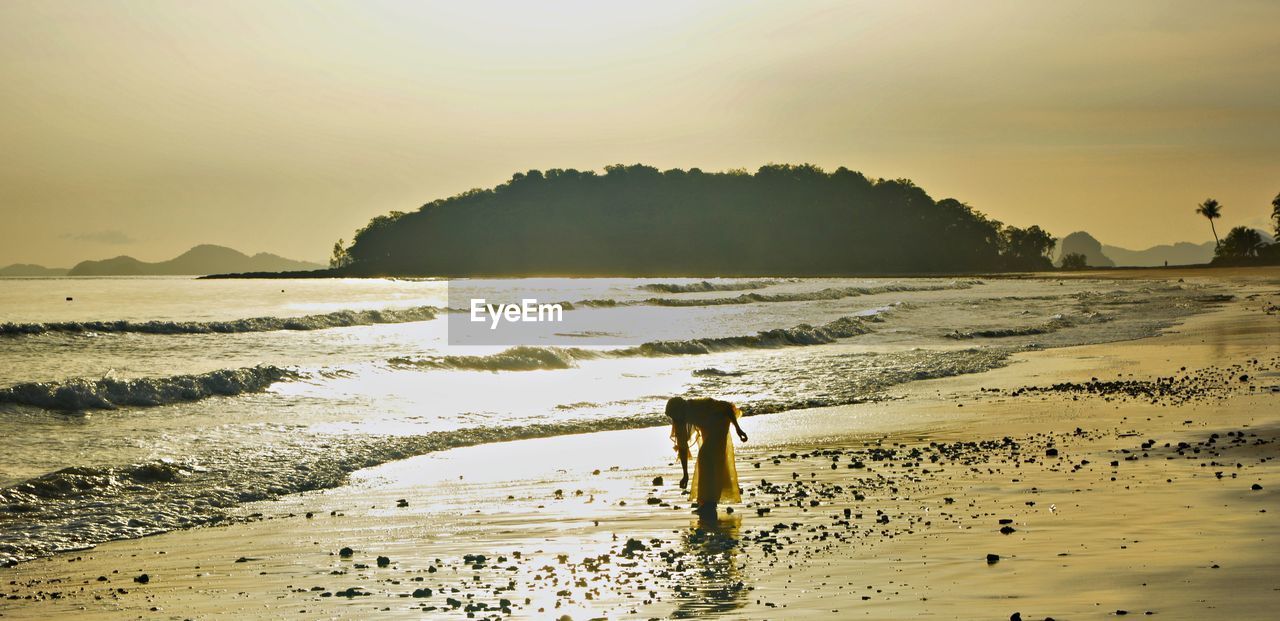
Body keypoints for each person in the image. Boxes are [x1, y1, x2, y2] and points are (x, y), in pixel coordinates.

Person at [666, 396, 748, 516]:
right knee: (706, 460)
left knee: (707, 458)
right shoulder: (680, 420)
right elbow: (682, 448)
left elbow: (726, 407)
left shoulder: (697, 406)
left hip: (720, 423)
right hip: (708, 429)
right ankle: (706, 502)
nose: (673, 419)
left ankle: (710, 503)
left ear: (679, 410)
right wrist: (685, 474)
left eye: (673, 415)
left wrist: (738, 429)